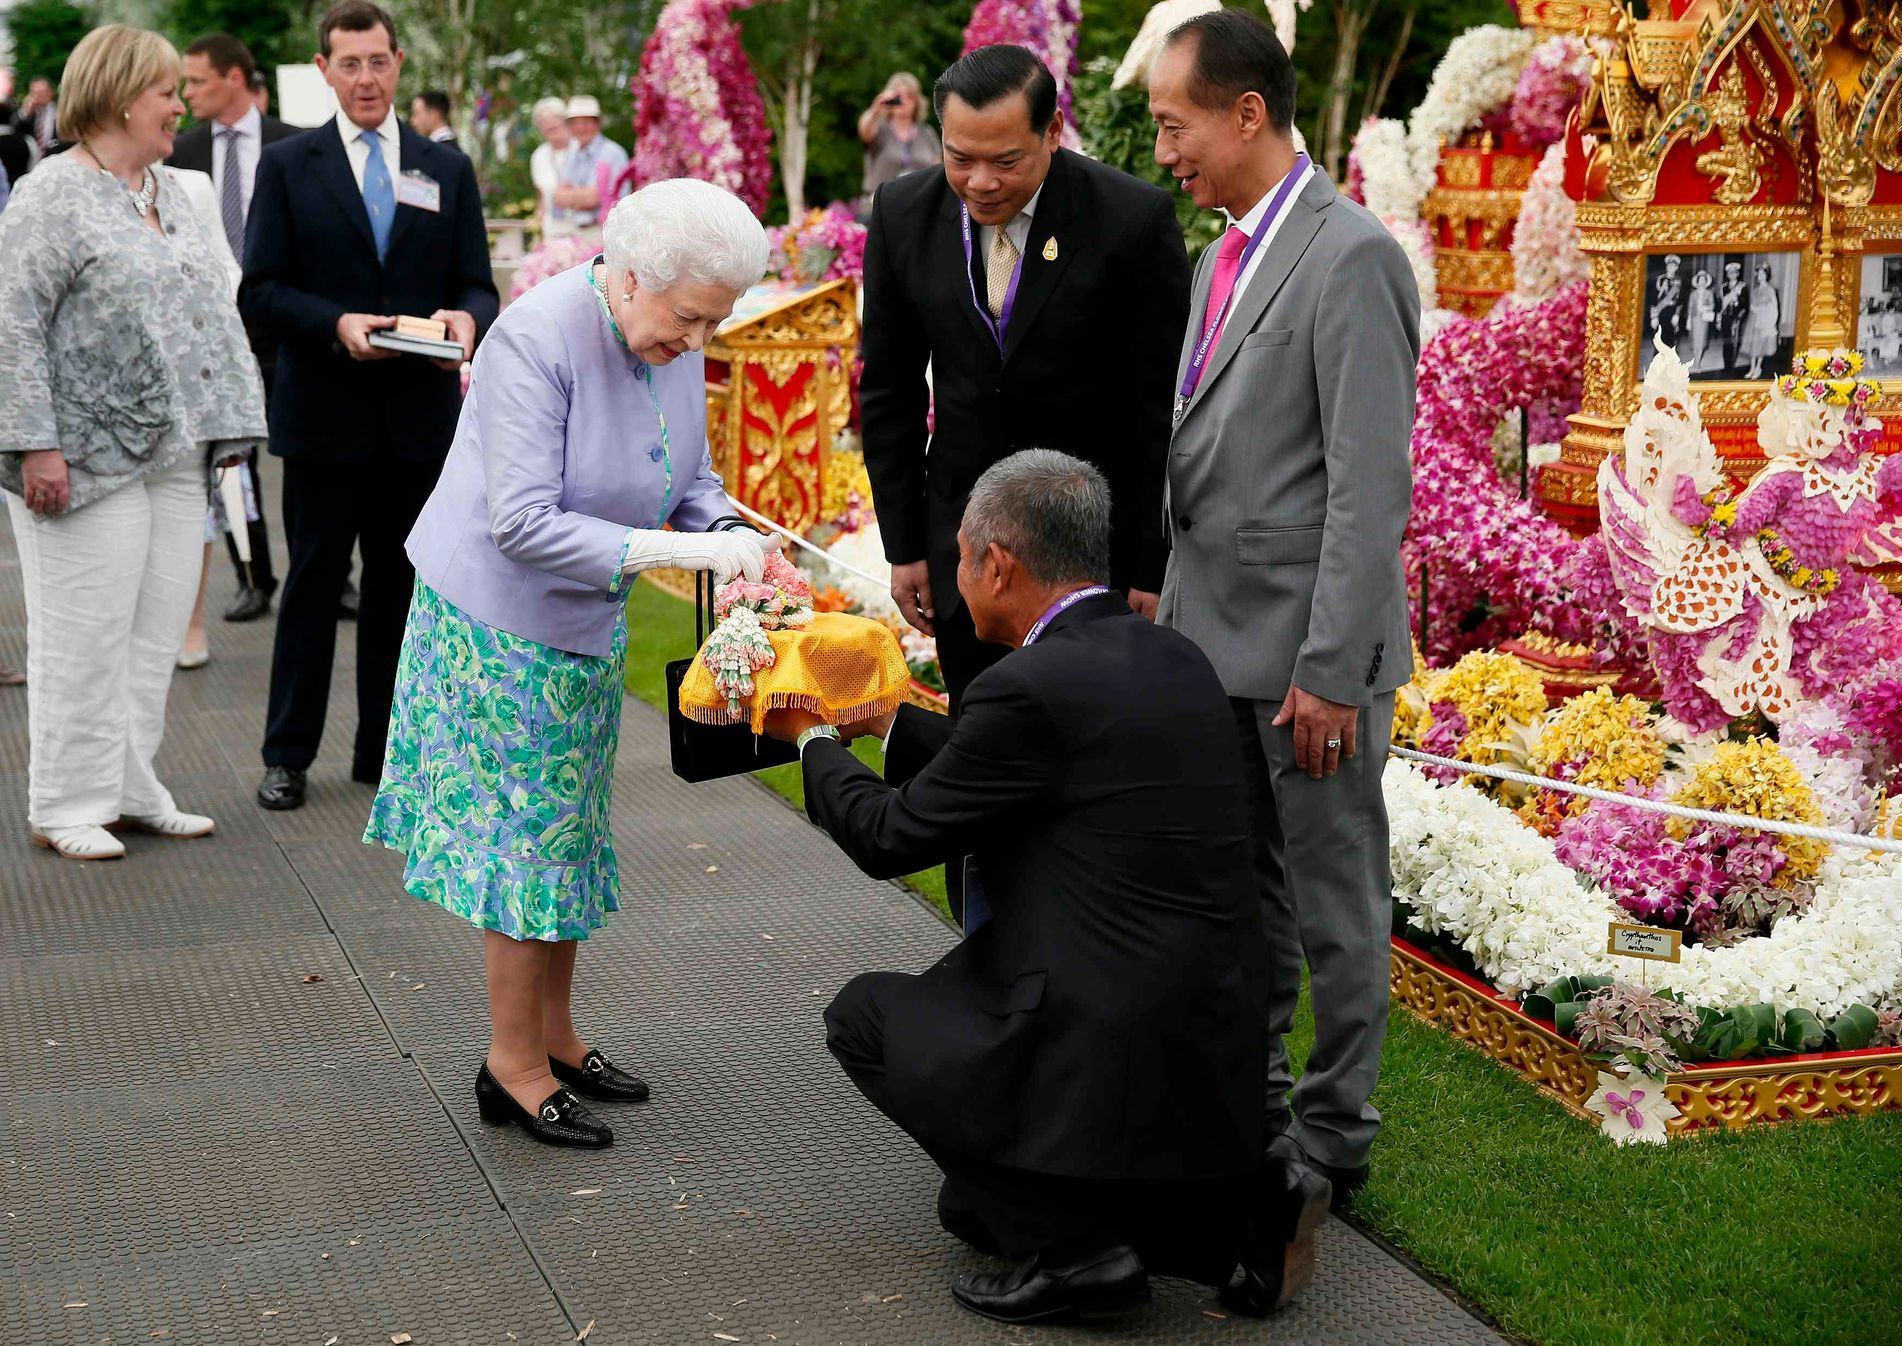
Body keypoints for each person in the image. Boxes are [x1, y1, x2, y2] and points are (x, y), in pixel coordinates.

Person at [766, 450, 1329, 1323]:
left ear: (998, 564)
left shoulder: (1027, 687)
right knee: (969, 1211)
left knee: (864, 1017)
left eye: (961, 557)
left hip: (1103, 1036)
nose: (956, 577)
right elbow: (1030, 765)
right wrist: (884, 722)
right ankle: (1236, 1210)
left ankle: (1081, 1258)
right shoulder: (1174, 656)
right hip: (1214, 1038)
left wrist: (810, 740)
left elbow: (889, 837)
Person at [367, 180, 772, 1148]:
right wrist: (679, 551)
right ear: (629, 278)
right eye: (688, 319)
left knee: (568, 837)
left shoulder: (667, 330)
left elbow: (690, 473)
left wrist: (726, 531)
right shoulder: (534, 338)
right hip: (496, 626)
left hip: (585, 624)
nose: (698, 341)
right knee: (523, 848)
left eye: (715, 323)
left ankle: (552, 1037)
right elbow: (520, 522)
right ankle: (510, 1067)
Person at [1148, 10, 1419, 1209]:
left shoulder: (1352, 255)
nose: (1165, 150)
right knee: (1238, 902)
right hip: (1209, 648)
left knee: (1335, 910)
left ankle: (1336, 1136)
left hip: (1308, 666)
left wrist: (1332, 670)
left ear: (1247, 112)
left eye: (1175, 125)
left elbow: (1368, 488)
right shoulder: (1217, 256)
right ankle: (1249, 1105)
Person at [0, 24, 267, 861]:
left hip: (175, 453)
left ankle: (128, 785)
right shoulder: (49, 195)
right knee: (83, 635)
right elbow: (12, 325)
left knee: (152, 637)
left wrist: (230, 419)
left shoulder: (171, 190)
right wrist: (34, 444)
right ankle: (65, 802)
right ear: (120, 97)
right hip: (82, 457)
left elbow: (212, 309)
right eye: (165, 92)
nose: (179, 106)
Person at [859, 46, 1187, 708]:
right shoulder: (903, 214)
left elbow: (1160, 410)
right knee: (981, 736)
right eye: (960, 158)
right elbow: (890, 392)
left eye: (1006, 162)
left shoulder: (1131, 220)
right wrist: (906, 545)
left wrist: (1152, 565)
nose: (981, 182)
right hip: (966, 558)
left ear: (1053, 131)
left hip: (1094, 562)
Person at [240, 0, 497, 812]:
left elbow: (477, 284)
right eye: (349, 64)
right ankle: (287, 755)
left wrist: (468, 320)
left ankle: (385, 755)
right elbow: (260, 291)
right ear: (324, 70)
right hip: (325, 414)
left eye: (378, 61)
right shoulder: (289, 166)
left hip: (418, 420)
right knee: (314, 587)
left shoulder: (445, 167)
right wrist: (336, 324)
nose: (365, 78)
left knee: (400, 590)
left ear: (399, 63)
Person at [169, 32, 298, 626]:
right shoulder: (179, 151)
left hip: (288, 324)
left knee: (304, 451)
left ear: (235, 78)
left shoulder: (293, 142)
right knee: (231, 458)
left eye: (197, 80)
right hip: (218, 333)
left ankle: (329, 577)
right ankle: (252, 576)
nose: (187, 92)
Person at [856, 72, 939, 212]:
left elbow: (938, 171)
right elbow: (864, 131)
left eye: (909, 97)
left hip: (919, 206)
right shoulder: (880, 129)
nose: (904, 101)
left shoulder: (927, 133)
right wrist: (876, 109)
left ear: (917, 102)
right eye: (898, 97)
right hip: (879, 205)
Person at [549, 95, 627, 230]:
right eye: (575, 123)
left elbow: (596, 198)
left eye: (586, 122)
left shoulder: (613, 153)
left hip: (608, 230)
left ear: (597, 124)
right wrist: (583, 197)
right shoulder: (571, 153)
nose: (580, 128)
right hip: (577, 230)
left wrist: (572, 197)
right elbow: (557, 197)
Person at [527, 96, 572, 238]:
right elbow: (541, 195)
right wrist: (538, 231)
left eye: (554, 118)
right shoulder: (539, 155)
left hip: (582, 228)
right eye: (543, 121)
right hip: (552, 230)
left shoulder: (580, 148)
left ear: (565, 120)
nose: (549, 124)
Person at [1742, 261, 1780, 379]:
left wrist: (1760, 309)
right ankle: (1752, 368)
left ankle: (1758, 367)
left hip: (1764, 320)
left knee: (1760, 345)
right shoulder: (1754, 290)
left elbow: (1773, 306)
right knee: (1753, 344)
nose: (1760, 276)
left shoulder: (1770, 290)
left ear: (1766, 275)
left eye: (1762, 274)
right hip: (1753, 320)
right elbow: (1751, 304)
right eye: (1758, 274)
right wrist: (1752, 307)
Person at [1649, 253, 1684, 352]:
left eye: (1673, 265)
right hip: (1660, 312)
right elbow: (1652, 299)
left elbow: (1681, 301)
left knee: (1671, 342)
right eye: (1669, 265)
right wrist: (1654, 317)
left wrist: (1677, 315)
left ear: (1676, 267)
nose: (1671, 267)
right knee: (1658, 341)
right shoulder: (1659, 280)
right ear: (1666, 266)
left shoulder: (1679, 281)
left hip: (1672, 313)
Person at [1718, 259, 1747, 375]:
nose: (1732, 274)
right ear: (1727, 274)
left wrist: (1739, 315)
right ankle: (1726, 366)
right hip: (1726, 317)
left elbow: (1745, 305)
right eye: (1730, 272)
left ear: (1737, 274)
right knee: (1726, 342)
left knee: (1734, 342)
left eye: (1734, 272)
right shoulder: (1723, 287)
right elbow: (1720, 303)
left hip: (1736, 318)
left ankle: (1732, 367)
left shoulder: (1742, 286)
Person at [1687, 268, 1715, 372]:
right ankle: (1696, 361)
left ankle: (1698, 363)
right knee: (1695, 341)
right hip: (1695, 319)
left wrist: (1705, 308)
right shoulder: (1693, 294)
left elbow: (1712, 305)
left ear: (1706, 282)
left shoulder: (1709, 293)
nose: (1702, 282)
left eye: (1704, 280)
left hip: (1704, 319)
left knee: (1701, 341)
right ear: (1697, 282)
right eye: (1700, 280)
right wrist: (1688, 320)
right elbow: (1690, 307)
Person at [22, 77, 56, 155]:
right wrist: (26, 113)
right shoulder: (28, 114)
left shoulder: (58, 111)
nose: (39, 95)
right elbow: (18, 132)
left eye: (42, 92)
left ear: (50, 92)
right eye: (35, 92)